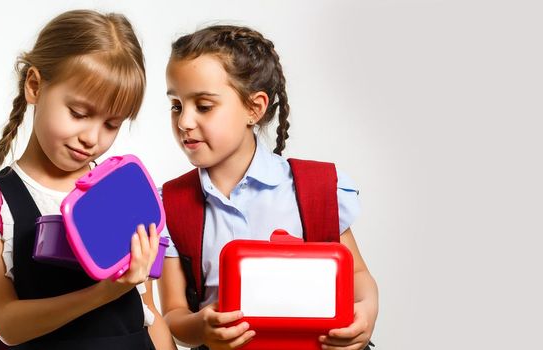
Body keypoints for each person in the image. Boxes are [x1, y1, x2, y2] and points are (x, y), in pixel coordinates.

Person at [0, 10, 175, 349]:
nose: (92, 137)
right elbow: (8, 324)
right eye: (79, 113)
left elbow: (148, 313)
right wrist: (106, 291)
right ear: (35, 86)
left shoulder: (123, 190)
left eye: (111, 124)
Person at [158, 25, 378, 350]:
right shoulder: (170, 204)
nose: (184, 121)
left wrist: (366, 313)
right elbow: (174, 315)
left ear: (254, 108)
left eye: (203, 106)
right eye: (176, 105)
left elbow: (358, 276)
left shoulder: (315, 189)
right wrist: (202, 327)